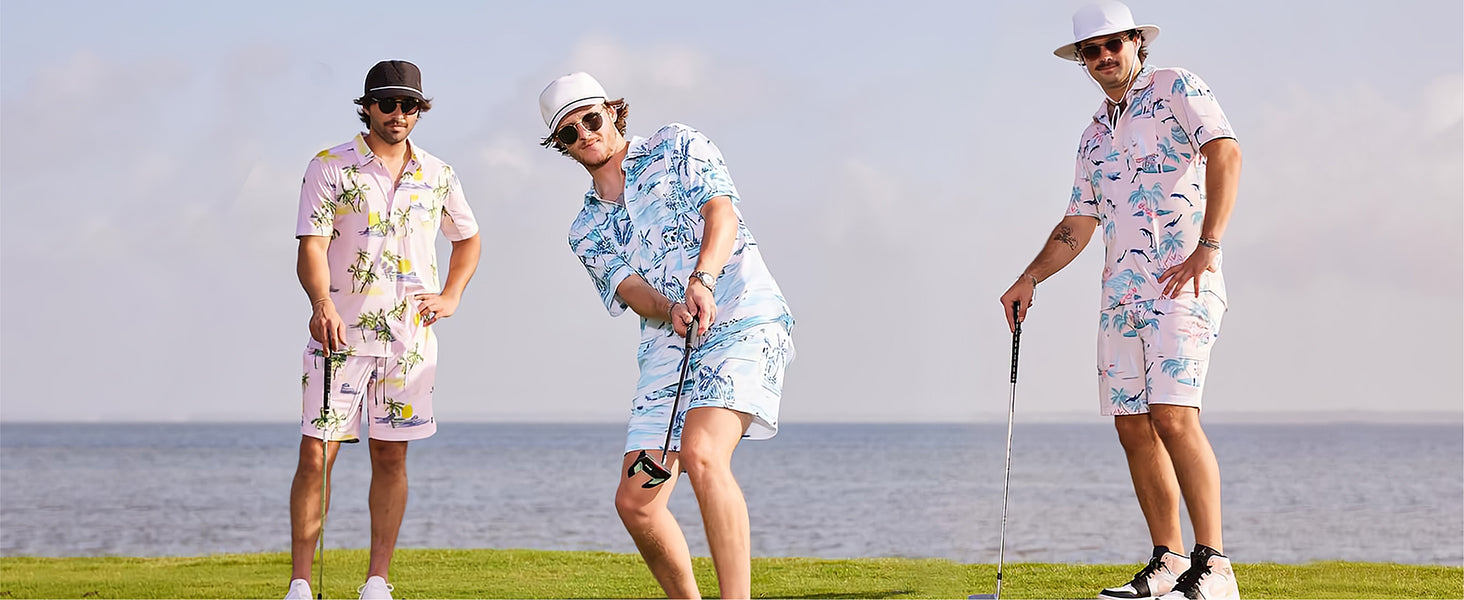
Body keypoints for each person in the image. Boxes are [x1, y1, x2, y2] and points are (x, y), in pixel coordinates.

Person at [998, 3, 1242, 599]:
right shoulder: (1092, 135)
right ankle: (1168, 560)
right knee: (1133, 425)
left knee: (1174, 416)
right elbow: (1078, 222)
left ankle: (1214, 568)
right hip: (1121, 296)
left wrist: (1209, 245)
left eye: (1114, 44)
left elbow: (1226, 152)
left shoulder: (1177, 86)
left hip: (1183, 282)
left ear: (1136, 41)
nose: (1105, 56)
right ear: (1082, 61)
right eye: (1092, 50)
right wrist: (1030, 278)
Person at [538, 72, 795, 599]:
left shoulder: (676, 144)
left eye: (591, 119)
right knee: (637, 502)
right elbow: (631, 290)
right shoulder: (584, 230)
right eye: (569, 132)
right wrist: (671, 307)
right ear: (561, 146)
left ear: (612, 112)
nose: (585, 134)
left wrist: (702, 279)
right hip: (668, 350)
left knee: (702, 452)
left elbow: (721, 212)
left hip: (742, 318)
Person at [285, 60, 481, 600]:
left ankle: (377, 581)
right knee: (316, 454)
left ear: (420, 109)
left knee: (391, 456)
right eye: (389, 103)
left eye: (410, 105)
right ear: (368, 106)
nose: (399, 114)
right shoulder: (329, 166)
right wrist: (321, 304)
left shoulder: (439, 174)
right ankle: (300, 583)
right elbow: (311, 247)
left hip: (410, 344)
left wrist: (451, 295)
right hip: (338, 337)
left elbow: (468, 238)